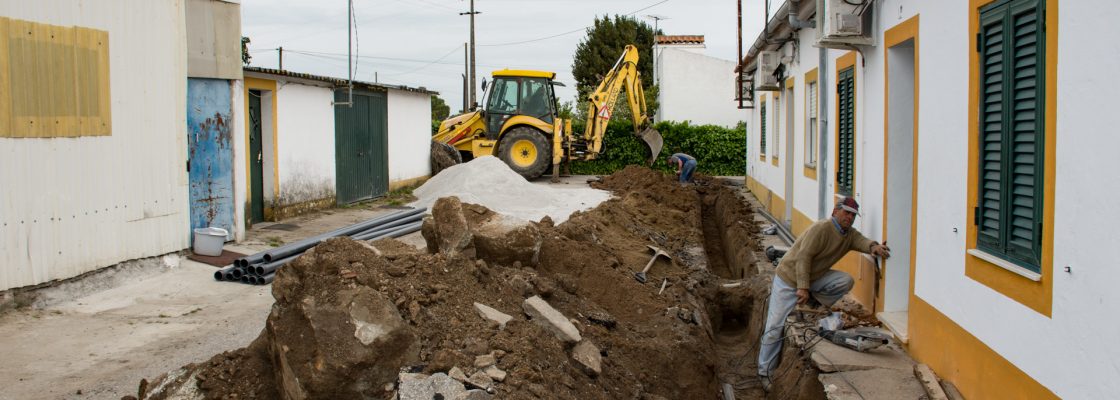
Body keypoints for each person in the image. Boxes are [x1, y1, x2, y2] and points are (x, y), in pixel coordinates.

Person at [756, 196, 890, 391]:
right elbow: (804, 257)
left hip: (814, 277)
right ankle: (764, 372)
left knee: (845, 280)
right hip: (788, 278)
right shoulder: (821, 228)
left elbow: (861, 240)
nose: (849, 218)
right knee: (775, 327)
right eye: (846, 213)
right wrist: (802, 287)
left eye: (853, 215)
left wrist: (873, 247)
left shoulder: (848, 234)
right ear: (835, 212)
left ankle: (813, 302)